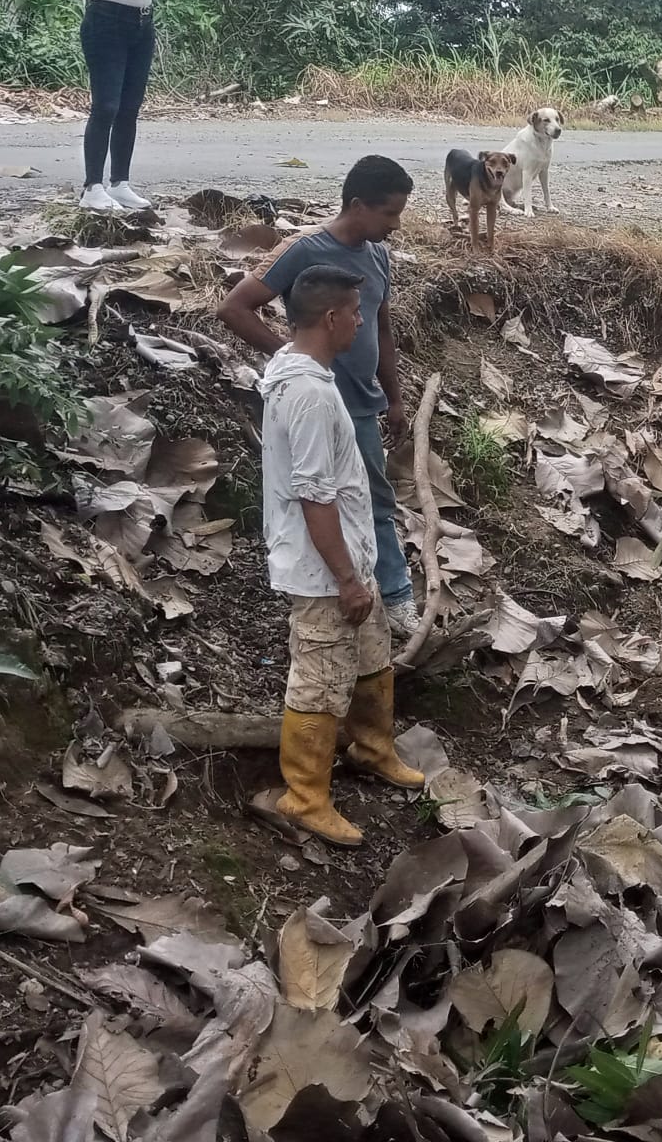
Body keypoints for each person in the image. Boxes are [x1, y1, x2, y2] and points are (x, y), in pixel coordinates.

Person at [218, 156, 418, 636]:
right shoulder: (303, 250)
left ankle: (393, 595)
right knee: (314, 494)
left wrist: (393, 397)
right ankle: (327, 591)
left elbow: (382, 329)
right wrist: (295, 356)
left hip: (361, 404)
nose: (395, 224)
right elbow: (234, 307)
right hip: (315, 403)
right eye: (390, 213)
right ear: (358, 205)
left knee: (373, 498)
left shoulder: (377, 256)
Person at [259, 264, 424, 847]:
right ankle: (305, 797)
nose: (362, 322)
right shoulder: (308, 395)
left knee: (371, 653)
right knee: (319, 679)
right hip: (325, 571)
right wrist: (346, 580)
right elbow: (314, 495)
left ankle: (372, 749)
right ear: (331, 319)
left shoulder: (301, 370)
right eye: (356, 313)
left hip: (349, 559)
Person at [56, 0, 176, 213]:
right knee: (106, 105)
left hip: (141, 24)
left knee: (129, 107)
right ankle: (92, 187)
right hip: (105, 22)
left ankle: (119, 183)